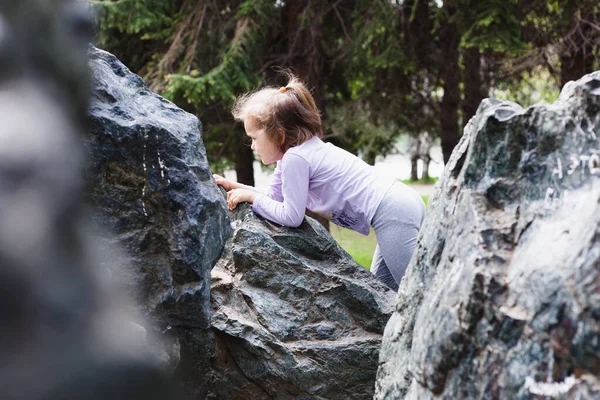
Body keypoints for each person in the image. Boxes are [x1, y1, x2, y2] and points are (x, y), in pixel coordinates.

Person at [213, 74, 426, 291]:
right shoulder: (297, 155)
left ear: (279, 134)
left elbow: (291, 216)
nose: (251, 146)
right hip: (399, 203)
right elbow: (273, 197)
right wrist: (234, 186)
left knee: (417, 292)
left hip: (392, 212)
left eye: (254, 138)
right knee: (386, 292)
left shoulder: (296, 159)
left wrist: (252, 198)